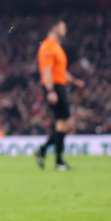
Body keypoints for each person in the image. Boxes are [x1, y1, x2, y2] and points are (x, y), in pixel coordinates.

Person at [34, 21, 84, 171]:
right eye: (63, 27)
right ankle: (54, 159)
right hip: (54, 87)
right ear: (54, 27)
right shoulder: (47, 46)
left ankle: (47, 154)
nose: (65, 30)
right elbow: (46, 69)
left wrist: (73, 80)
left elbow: (60, 70)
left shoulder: (57, 46)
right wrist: (50, 91)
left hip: (60, 85)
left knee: (63, 126)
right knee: (67, 125)